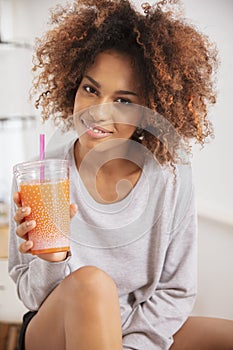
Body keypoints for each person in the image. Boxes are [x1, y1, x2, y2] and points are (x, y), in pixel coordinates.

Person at [8, 0, 233, 349]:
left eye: (124, 101)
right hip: (53, 328)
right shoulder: (42, 177)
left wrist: (132, 345)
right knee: (93, 284)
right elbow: (32, 296)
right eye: (90, 89)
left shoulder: (169, 179)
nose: (98, 112)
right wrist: (51, 260)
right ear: (73, 85)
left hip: (133, 327)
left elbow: (176, 291)